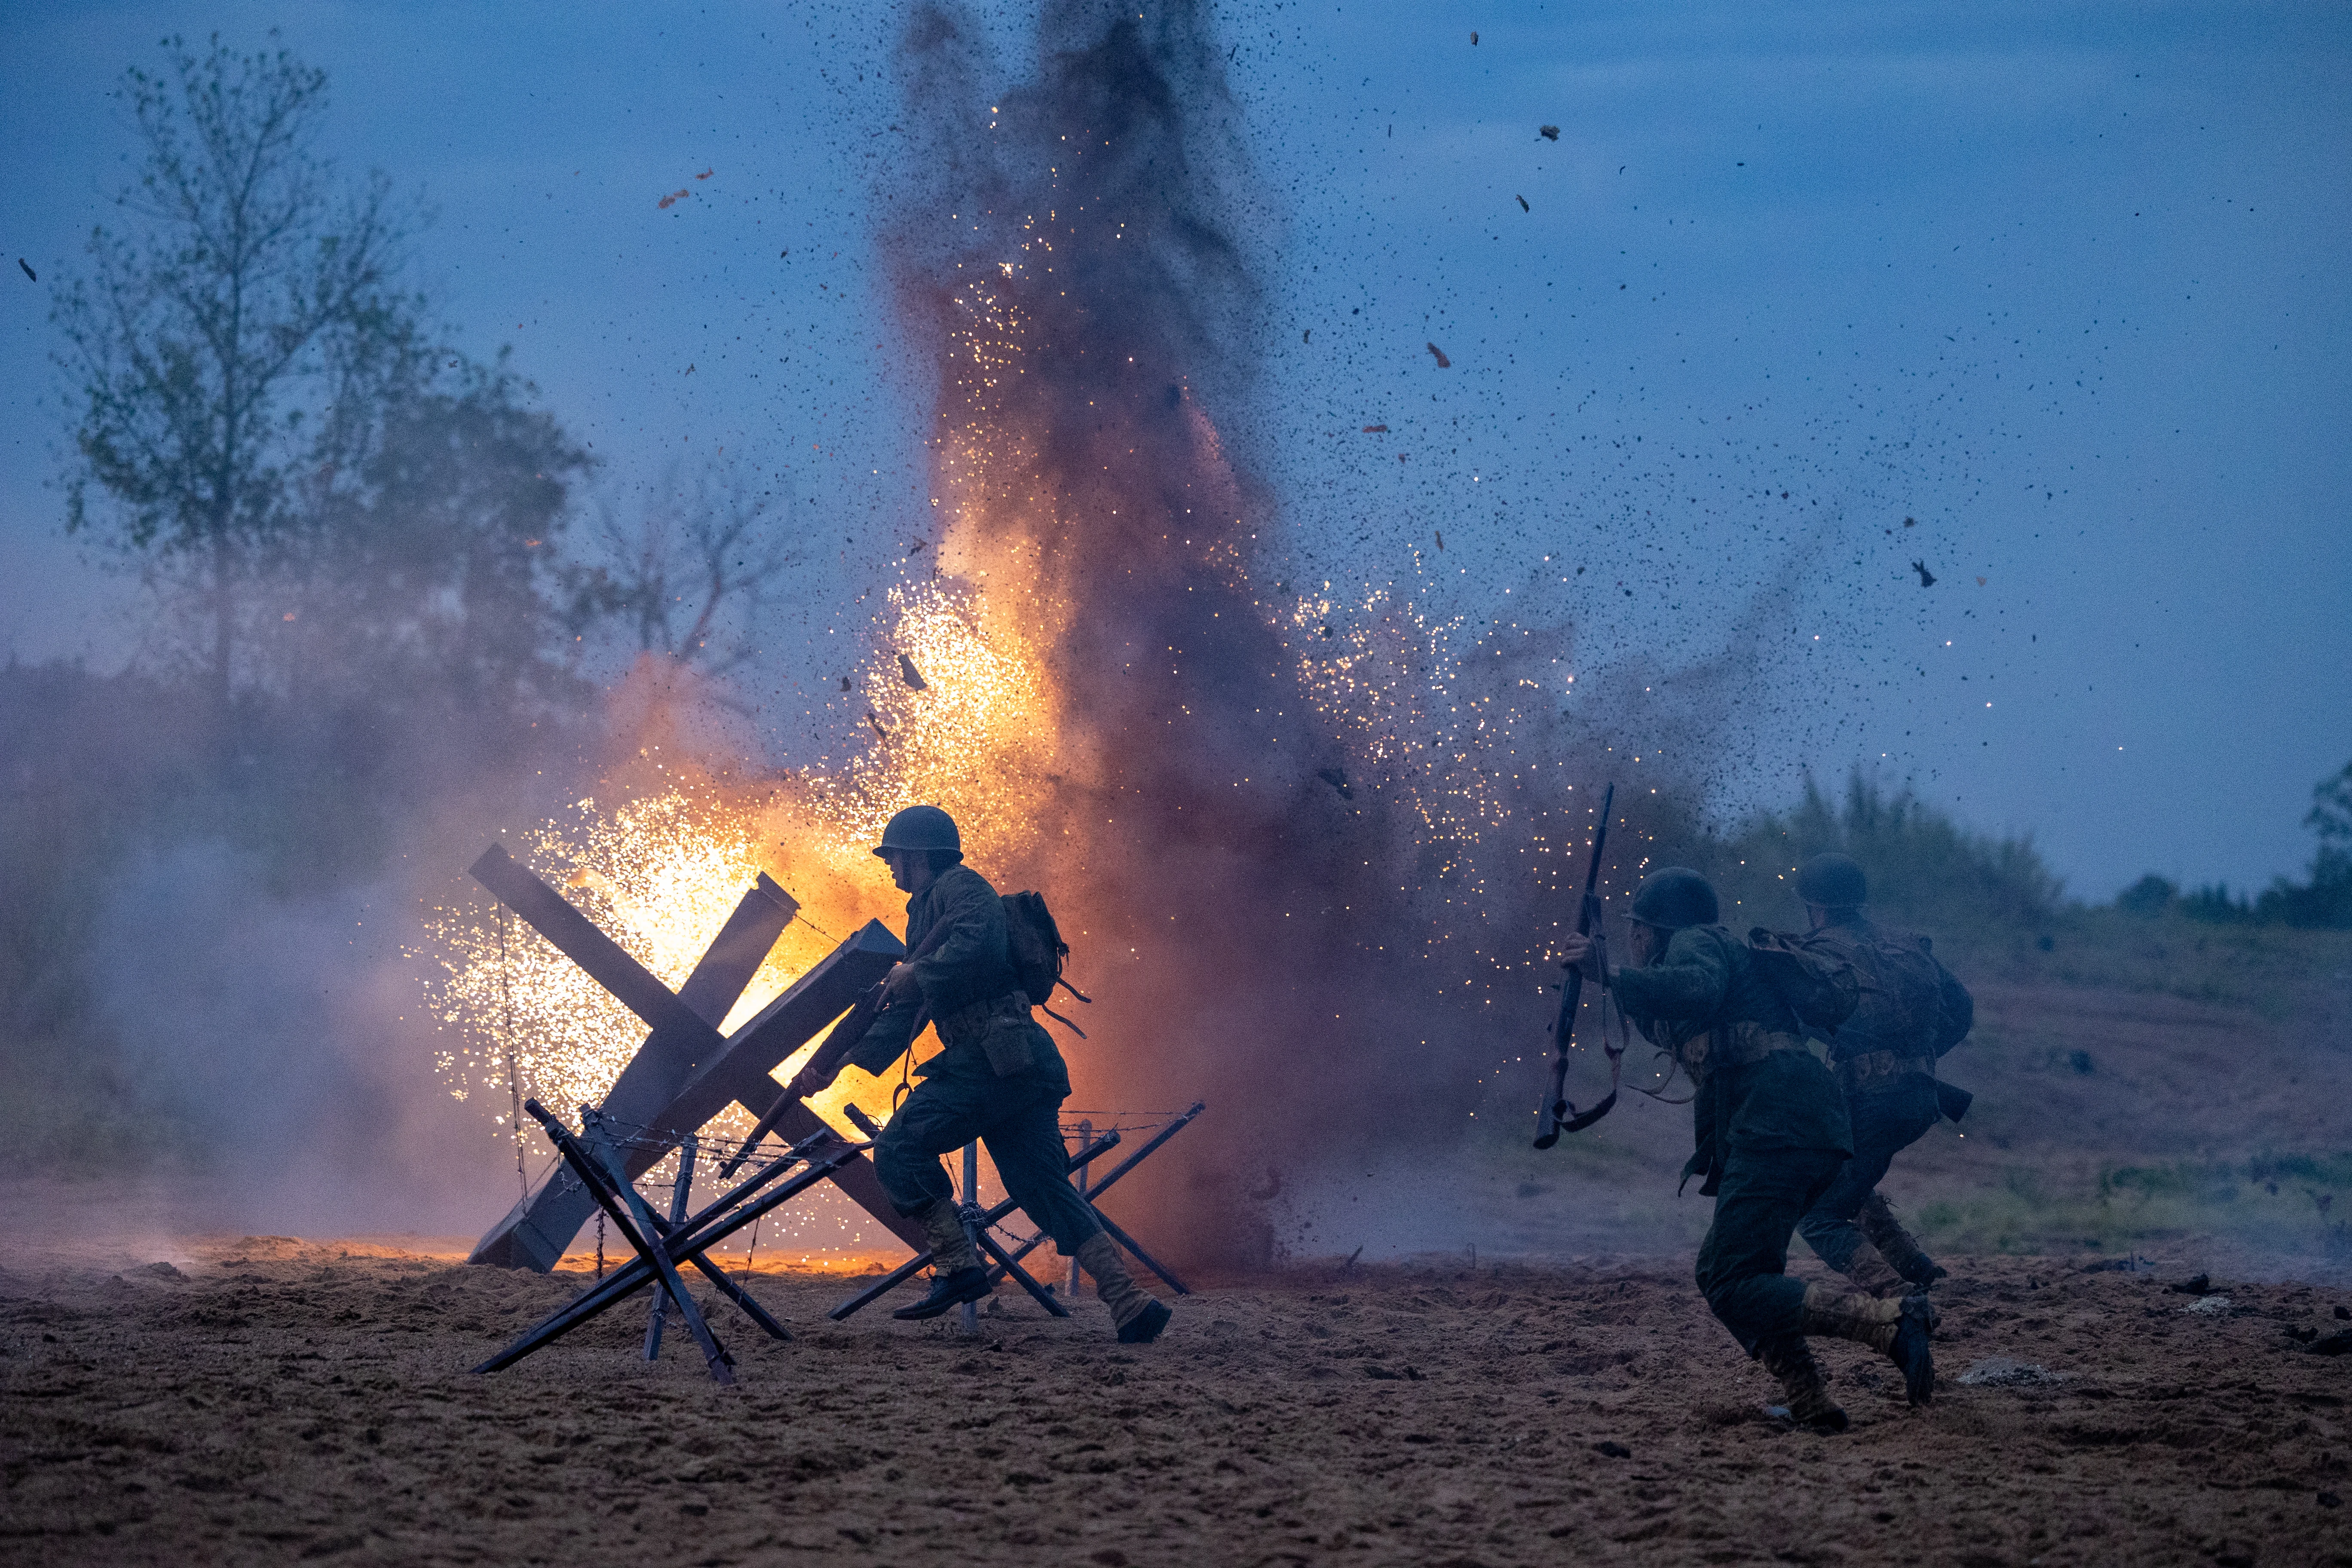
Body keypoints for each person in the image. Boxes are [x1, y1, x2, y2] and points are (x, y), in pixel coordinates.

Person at [1557, 866, 1935, 1431]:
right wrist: (1612, 979)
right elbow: (1674, 1015)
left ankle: (1889, 1322)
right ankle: (1810, 1399)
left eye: (1637, 928)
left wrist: (1608, 973)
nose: (1633, 938)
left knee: (1734, 1278)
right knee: (1722, 1273)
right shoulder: (1704, 957)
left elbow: (1697, 987)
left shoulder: (1698, 942)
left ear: (1658, 928)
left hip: (1778, 1123)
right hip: (1792, 1122)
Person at [781, 804, 1171, 1343]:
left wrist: (917, 971)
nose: (889, 867)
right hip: (1016, 1067)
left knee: (899, 1147)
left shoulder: (963, 887)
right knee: (1043, 1189)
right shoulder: (923, 913)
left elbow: (980, 941)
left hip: (992, 1059)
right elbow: (908, 1017)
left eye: (893, 856)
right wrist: (835, 1065)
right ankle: (1131, 1304)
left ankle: (958, 1267)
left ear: (917, 854)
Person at [1788, 852, 1974, 1295]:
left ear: (1816, 908)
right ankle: (1916, 1267)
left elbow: (1793, 1021)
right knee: (1843, 1175)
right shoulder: (1904, 944)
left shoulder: (1816, 954)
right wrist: (1918, 1058)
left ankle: (1893, 1290)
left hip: (1870, 1104)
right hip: (1921, 1096)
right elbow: (1960, 1008)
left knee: (1817, 1215)